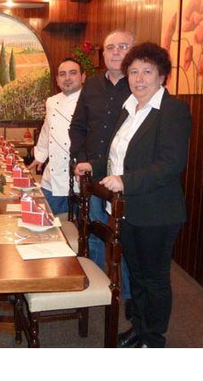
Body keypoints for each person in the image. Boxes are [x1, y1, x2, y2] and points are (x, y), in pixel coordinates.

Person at [99, 42, 192, 348]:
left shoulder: (173, 110)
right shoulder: (129, 109)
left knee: (154, 278)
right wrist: (94, 166)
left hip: (157, 212)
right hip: (127, 210)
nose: (139, 78)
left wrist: (124, 182)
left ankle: (153, 338)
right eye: (134, 72)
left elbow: (170, 164)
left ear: (162, 76)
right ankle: (139, 327)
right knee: (136, 274)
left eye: (147, 72)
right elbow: (118, 156)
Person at [69, 30, 135, 309]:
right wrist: (81, 160)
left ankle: (128, 297)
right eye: (110, 47)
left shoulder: (138, 85)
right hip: (93, 175)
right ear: (103, 54)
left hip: (125, 177)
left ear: (133, 51)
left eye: (123, 46)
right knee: (95, 232)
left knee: (124, 240)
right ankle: (97, 290)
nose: (116, 52)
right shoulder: (92, 86)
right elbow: (77, 127)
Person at [28, 58, 86, 214]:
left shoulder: (90, 101)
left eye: (72, 73)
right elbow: (47, 129)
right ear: (57, 80)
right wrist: (40, 156)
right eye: (62, 74)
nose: (67, 78)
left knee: (80, 224)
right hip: (53, 178)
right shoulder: (52, 102)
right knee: (45, 218)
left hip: (79, 177)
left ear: (83, 77)